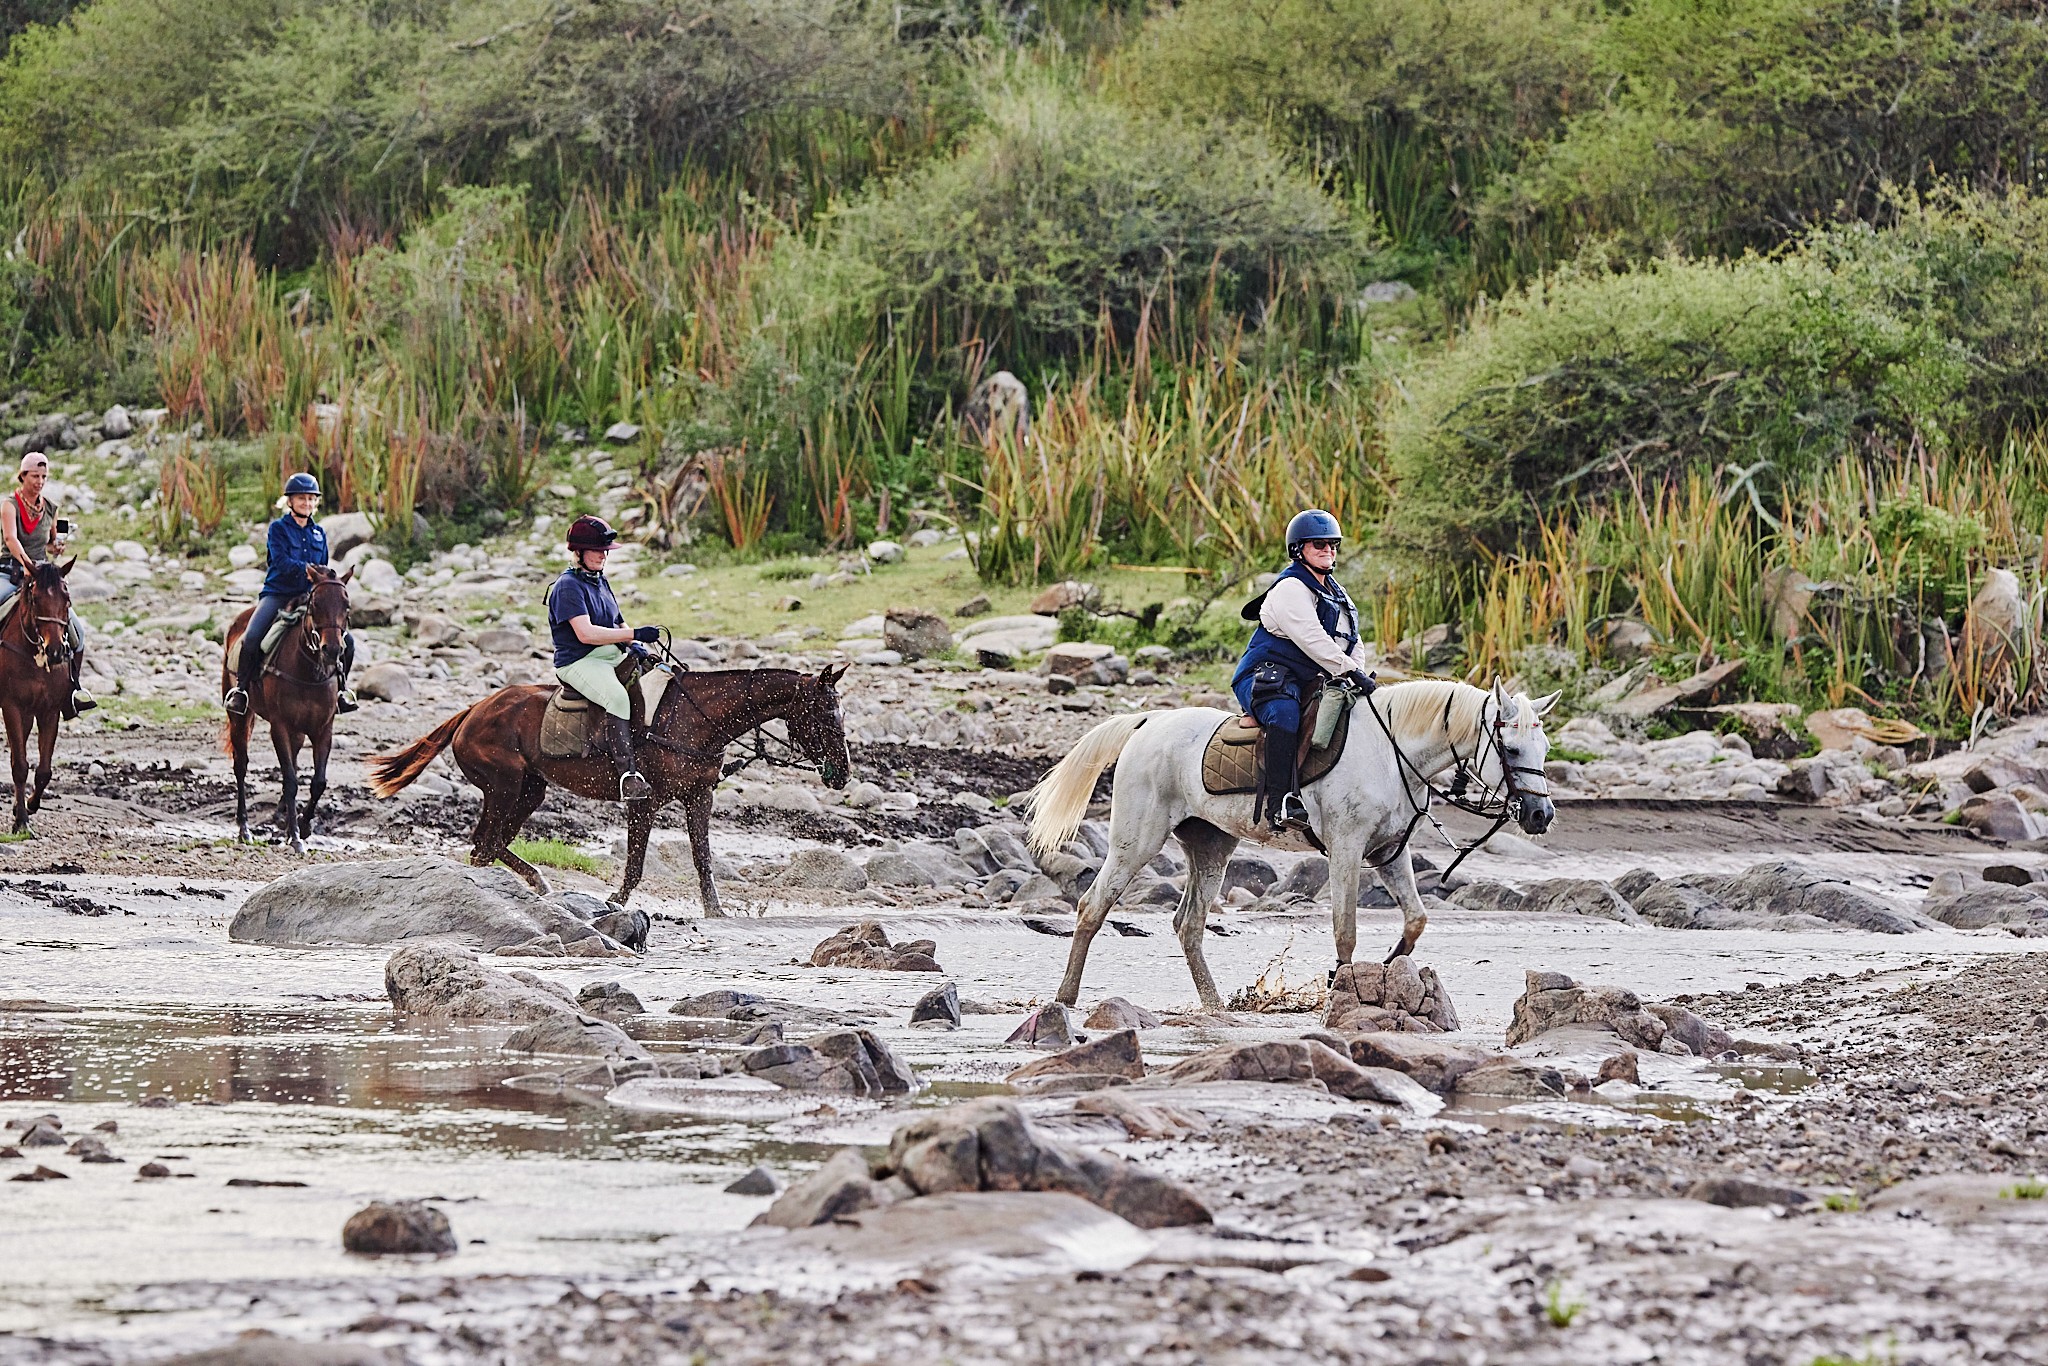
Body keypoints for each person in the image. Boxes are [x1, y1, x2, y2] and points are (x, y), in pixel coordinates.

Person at [1230, 509, 1376, 830]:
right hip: (1266, 676)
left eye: (1333, 545)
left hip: (1311, 678)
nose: (1328, 551)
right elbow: (1313, 638)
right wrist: (1350, 672)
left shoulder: (1335, 592)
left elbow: (1351, 639)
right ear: (1299, 550)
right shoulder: (1290, 588)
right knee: (1286, 714)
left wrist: (1358, 675)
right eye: (1318, 545)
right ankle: (1280, 803)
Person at [225, 472, 358, 716]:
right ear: (290, 501)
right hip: (278, 594)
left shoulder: (319, 533)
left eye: (311, 499)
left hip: (309, 596)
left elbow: (323, 564)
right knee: (252, 637)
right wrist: (308, 570)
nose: (307, 503)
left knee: (347, 642)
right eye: (301, 499)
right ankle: (241, 691)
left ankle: (341, 691)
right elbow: (281, 562)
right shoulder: (278, 529)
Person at [547, 515, 660, 801]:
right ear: (578, 553)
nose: (603, 555)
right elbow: (585, 634)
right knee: (617, 698)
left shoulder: (599, 580)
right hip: (578, 661)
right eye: (597, 550)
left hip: (605, 653)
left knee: (657, 674)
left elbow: (617, 622)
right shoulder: (567, 586)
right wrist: (632, 634)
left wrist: (635, 643)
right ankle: (627, 775)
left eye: (605, 551)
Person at [0, 452, 94, 717]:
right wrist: (30, 565)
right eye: (35, 476)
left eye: (43, 477)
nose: (39, 481)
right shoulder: (10, 505)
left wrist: (57, 547)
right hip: (11, 571)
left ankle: (72, 690)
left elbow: (50, 544)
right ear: (23, 476)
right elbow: (11, 539)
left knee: (77, 632)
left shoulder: (50, 508)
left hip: (41, 576)